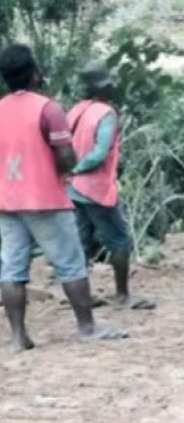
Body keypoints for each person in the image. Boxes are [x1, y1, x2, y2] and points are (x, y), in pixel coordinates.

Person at [0, 44, 124, 351]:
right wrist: (62, 169)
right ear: (34, 73)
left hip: (7, 200)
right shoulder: (48, 108)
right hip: (45, 198)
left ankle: (18, 337)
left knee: (12, 268)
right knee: (70, 263)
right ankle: (87, 326)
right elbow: (66, 156)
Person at [68, 61, 154, 310]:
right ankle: (122, 295)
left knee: (80, 242)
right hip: (95, 188)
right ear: (101, 88)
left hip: (72, 187)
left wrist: (69, 171)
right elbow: (99, 153)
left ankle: (80, 296)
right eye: (109, 84)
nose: (113, 87)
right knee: (118, 240)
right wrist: (79, 167)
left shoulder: (75, 110)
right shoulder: (106, 114)